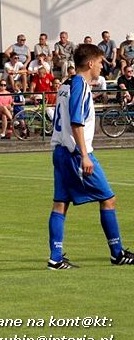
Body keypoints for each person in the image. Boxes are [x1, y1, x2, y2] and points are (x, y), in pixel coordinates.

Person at [47, 44, 134, 269]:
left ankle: (55, 258)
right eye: (100, 62)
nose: (102, 67)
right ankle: (117, 253)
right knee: (108, 198)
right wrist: (84, 155)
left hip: (60, 152)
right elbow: (77, 121)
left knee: (60, 204)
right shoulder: (79, 85)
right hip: (76, 153)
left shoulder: (65, 84)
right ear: (91, 63)